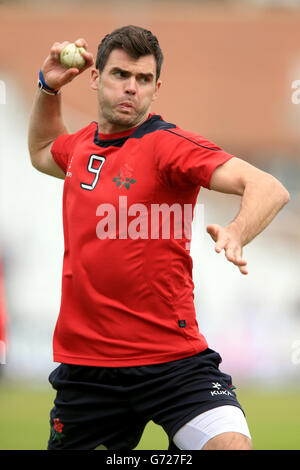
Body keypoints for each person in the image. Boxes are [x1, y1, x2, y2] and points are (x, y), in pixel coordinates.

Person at [28, 25, 289, 451]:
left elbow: (268, 187)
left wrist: (238, 231)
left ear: (156, 87)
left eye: (143, 79)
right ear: (95, 78)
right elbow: (41, 149)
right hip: (89, 371)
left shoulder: (168, 146)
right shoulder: (78, 148)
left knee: (232, 447)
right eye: (120, 75)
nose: (131, 88)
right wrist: (48, 88)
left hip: (173, 361)